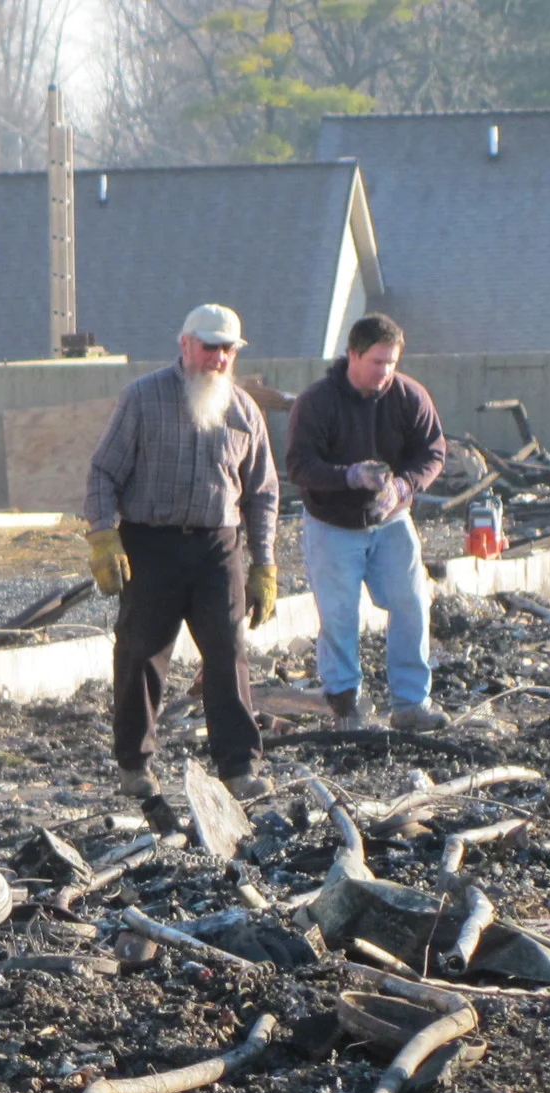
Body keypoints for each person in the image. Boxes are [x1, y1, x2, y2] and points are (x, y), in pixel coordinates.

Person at [84, 301, 280, 805]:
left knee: (228, 653)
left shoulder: (243, 410)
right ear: (185, 344)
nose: (218, 357)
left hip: (218, 546)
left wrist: (264, 564)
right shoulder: (143, 399)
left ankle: (239, 766)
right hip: (152, 543)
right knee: (141, 654)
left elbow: (263, 493)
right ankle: (135, 765)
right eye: (209, 346)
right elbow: (104, 472)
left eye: (227, 349)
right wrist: (104, 537)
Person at [282, 313, 449, 732]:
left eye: (392, 362)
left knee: (412, 602)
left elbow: (433, 451)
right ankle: (346, 703)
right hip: (332, 524)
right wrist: (347, 477)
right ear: (353, 355)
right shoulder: (317, 403)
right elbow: (299, 466)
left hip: (390, 521)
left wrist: (403, 488)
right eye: (378, 362)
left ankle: (411, 704)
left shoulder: (408, 396)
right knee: (339, 615)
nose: (386, 371)